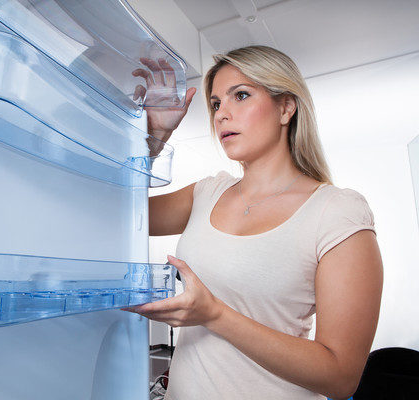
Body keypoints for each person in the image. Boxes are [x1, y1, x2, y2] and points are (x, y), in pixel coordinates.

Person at [127, 46, 383, 399]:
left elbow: (340, 377)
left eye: (241, 96)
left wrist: (214, 315)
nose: (221, 115)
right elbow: (120, 214)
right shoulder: (207, 193)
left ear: (285, 108)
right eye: (216, 104)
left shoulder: (336, 211)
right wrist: (153, 137)